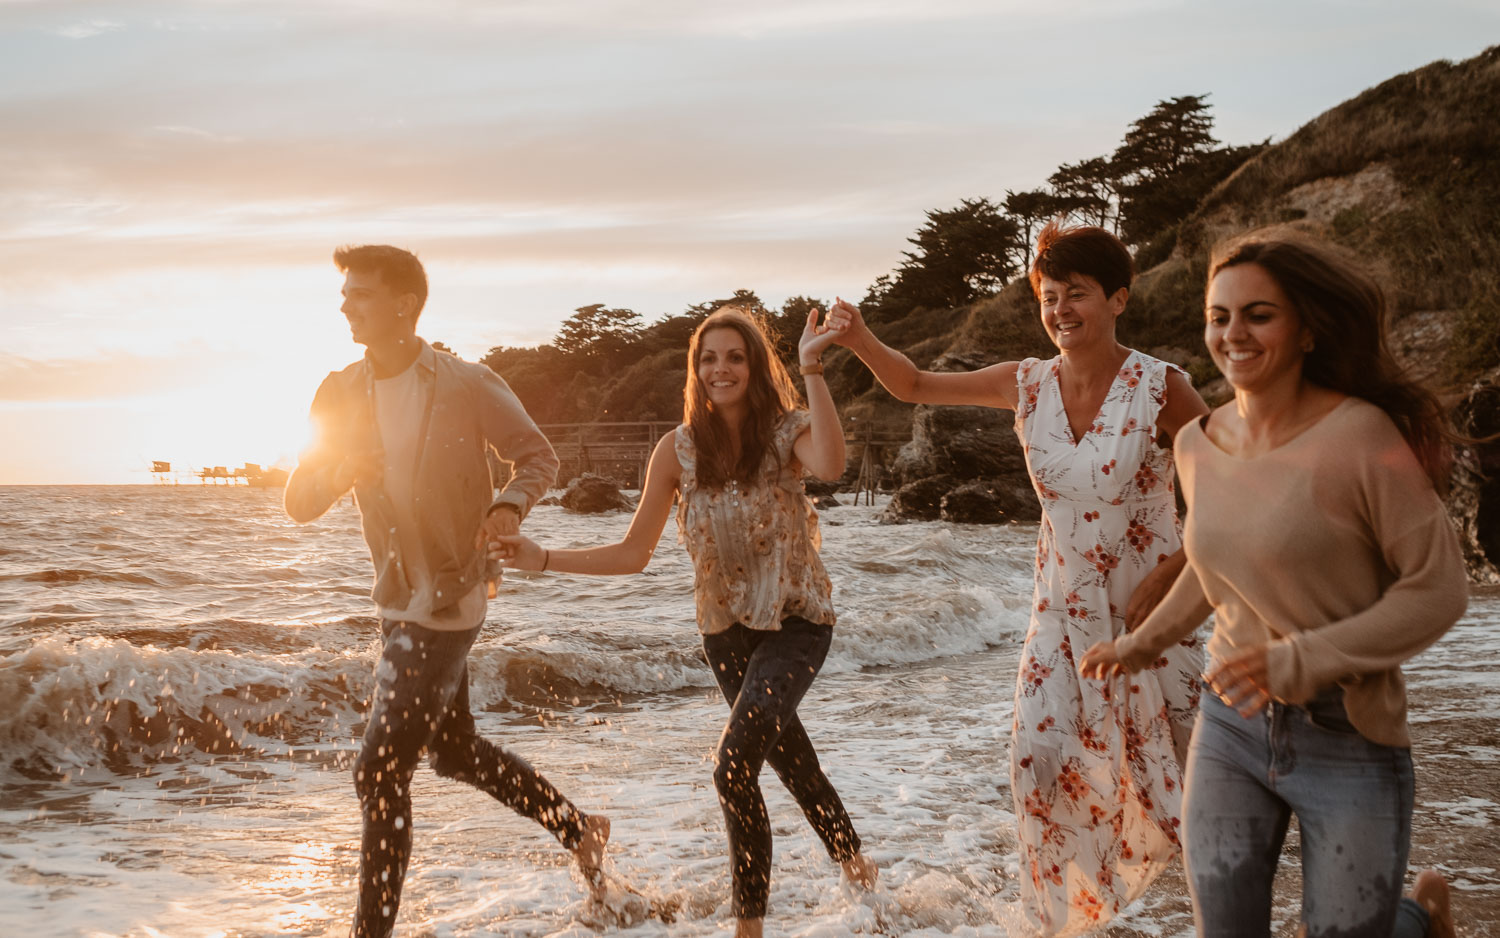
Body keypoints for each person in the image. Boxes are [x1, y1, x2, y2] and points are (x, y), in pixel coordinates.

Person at [825, 221, 1210, 934]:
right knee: (1037, 770)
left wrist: (1183, 566)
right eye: (1050, 295)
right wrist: (858, 338)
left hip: (1155, 621)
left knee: (1190, 793)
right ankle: (1059, 924)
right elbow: (912, 385)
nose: (1061, 310)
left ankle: (1219, 914)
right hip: (1059, 618)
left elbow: (1231, 486)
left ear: (1119, 298)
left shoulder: (1162, 388)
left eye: (1079, 295)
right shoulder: (1026, 384)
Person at [1078, 233, 1464, 938]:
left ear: (1307, 328)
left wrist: (1300, 659)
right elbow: (1215, 561)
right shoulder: (1196, 443)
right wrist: (1141, 643)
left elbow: (1437, 591)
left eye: (1259, 314)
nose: (1234, 334)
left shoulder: (1361, 436)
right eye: (1219, 316)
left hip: (1348, 732)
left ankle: (1420, 914)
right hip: (1231, 723)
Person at [490, 306, 877, 938]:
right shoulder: (677, 450)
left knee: (732, 766)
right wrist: (542, 559)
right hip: (723, 634)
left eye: (734, 357)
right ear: (695, 370)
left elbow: (832, 464)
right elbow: (633, 553)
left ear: (754, 367)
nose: (720, 369)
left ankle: (747, 928)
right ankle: (857, 866)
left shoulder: (787, 433)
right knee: (791, 762)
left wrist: (811, 367)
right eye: (707, 358)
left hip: (798, 621)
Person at [284, 245, 609, 938]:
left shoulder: (465, 383)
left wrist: (509, 505)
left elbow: (537, 456)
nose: (345, 304)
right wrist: (342, 466)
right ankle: (579, 828)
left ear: (404, 304)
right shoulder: (338, 392)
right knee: (452, 750)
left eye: (361, 293)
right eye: (345, 293)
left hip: (454, 597)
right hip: (395, 596)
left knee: (378, 772)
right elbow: (298, 502)